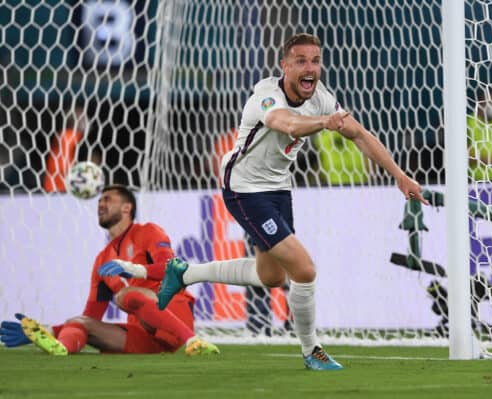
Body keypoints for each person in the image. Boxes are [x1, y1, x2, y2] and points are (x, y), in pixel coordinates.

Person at [100, 33, 427, 371]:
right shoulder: (266, 96)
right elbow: (284, 123)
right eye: (300, 61)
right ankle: (311, 350)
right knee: (304, 269)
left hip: (278, 189)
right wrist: (324, 123)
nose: (309, 68)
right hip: (244, 188)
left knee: (270, 276)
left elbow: (359, 134)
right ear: (284, 66)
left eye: (315, 61)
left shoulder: (322, 99)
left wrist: (399, 175)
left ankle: (184, 273)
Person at [0, 184, 219, 356]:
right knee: (78, 322)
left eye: (108, 200)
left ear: (127, 207)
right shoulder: (102, 261)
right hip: (143, 337)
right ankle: (61, 350)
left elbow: (171, 270)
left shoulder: (148, 232)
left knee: (126, 295)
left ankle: (194, 340)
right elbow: (91, 317)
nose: (101, 205)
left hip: (174, 314)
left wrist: (135, 270)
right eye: (100, 200)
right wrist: (45, 331)